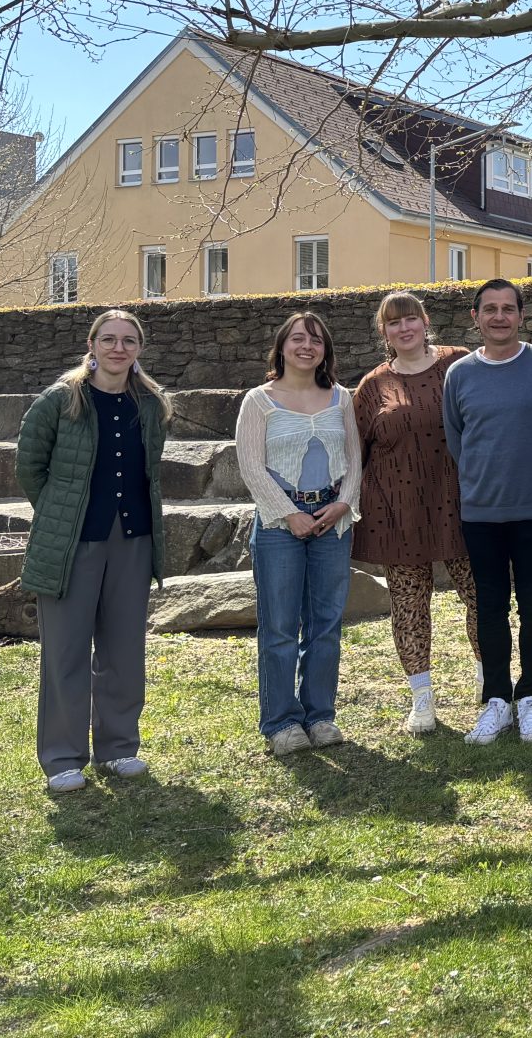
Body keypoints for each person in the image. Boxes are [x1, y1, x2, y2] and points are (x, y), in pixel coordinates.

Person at [16, 309, 174, 793]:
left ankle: (119, 748)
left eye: (128, 340)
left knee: (124, 651)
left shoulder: (150, 404)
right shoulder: (60, 400)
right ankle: (63, 758)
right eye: (109, 339)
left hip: (133, 539)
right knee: (65, 652)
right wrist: (61, 512)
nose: (118, 348)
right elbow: (29, 466)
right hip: (71, 543)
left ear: (139, 349)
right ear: (92, 344)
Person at [443, 278, 532, 746]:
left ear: (521, 315)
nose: (499, 316)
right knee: (490, 607)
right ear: (475, 317)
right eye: (489, 309)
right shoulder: (460, 374)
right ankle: (497, 699)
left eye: (508, 308)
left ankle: (531, 696)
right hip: (481, 512)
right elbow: (458, 440)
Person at [234, 311, 364, 756]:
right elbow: (250, 466)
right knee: (281, 626)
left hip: (333, 519)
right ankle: (281, 722)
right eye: (297, 339)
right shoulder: (259, 400)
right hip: (278, 524)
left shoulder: (341, 397)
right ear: (282, 345)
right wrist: (290, 514)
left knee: (326, 624)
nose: (306, 346)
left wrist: (345, 503)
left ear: (325, 349)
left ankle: (320, 715)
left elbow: (354, 458)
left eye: (316, 340)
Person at [352, 291, 479, 735]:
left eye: (410, 319)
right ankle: (421, 699)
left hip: (461, 501)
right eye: (393, 323)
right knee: (408, 604)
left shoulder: (460, 364)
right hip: (397, 508)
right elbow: (357, 453)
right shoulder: (372, 386)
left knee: (479, 593)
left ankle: (490, 685)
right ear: (383, 332)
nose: (403, 328)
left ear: (426, 321)